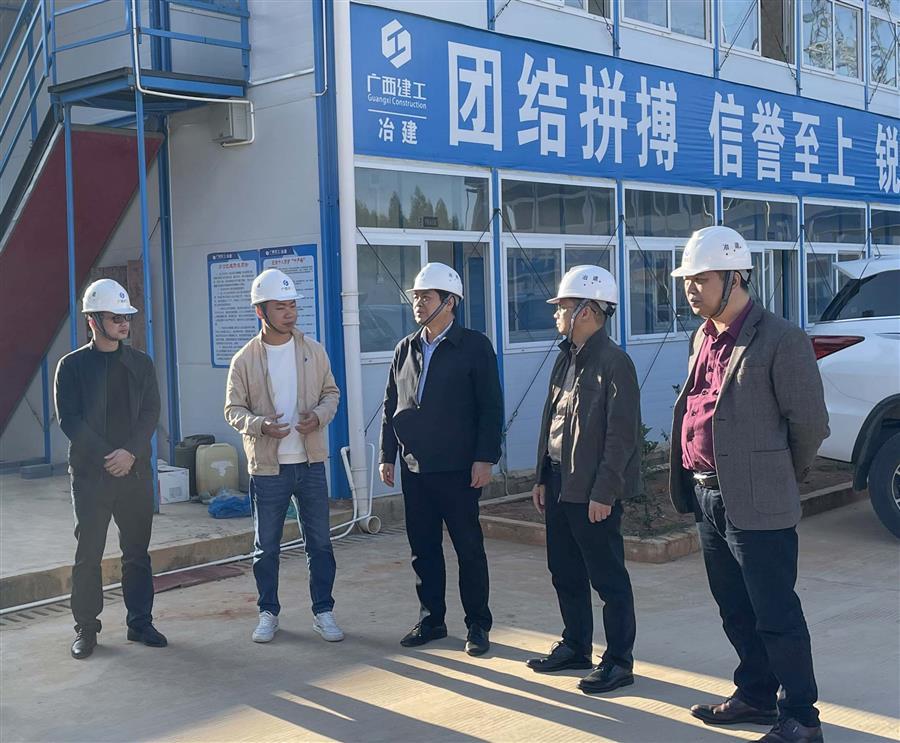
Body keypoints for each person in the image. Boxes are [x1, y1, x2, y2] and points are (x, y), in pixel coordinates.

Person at [669, 226, 829, 743]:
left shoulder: (781, 338)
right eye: (687, 280)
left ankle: (801, 718)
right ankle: (756, 695)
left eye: (702, 279)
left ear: (736, 277)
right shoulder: (702, 336)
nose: (690, 289)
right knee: (734, 608)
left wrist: (778, 476)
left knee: (775, 612)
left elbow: (810, 424)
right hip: (707, 494)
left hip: (759, 500)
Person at [526, 265, 640, 695]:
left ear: (587, 311)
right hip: (560, 483)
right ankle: (576, 645)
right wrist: (541, 476)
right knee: (564, 570)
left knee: (608, 579)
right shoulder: (565, 358)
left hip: (592, 490)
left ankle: (619, 661)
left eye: (564, 306)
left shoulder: (614, 363)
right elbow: (551, 421)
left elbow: (621, 436)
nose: (556, 313)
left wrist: (605, 492)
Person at [379, 262, 502, 656]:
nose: (418, 303)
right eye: (415, 297)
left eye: (426, 297)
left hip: (459, 469)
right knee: (423, 549)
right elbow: (391, 406)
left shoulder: (474, 347)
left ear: (450, 302)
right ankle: (432, 619)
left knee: (468, 549)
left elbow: (490, 407)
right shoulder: (405, 348)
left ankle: (477, 624)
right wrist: (387, 455)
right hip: (415, 468)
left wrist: (485, 458)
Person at [225, 268, 342, 644]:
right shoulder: (244, 359)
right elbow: (233, 410)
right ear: (260, 311)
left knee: (320, 543)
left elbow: (331, 394)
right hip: (268, 468)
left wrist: (318, 416)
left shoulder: (313, 351)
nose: (289, 313)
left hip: (310, 463)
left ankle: (323, 611)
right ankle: (268, 612)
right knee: (266, 547)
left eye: (292, 305)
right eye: (280, 307)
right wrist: (260, 425)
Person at [54, 279, 165, 660]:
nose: (123, 324)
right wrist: (109, 456)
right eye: (115, 318)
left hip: (135, 472)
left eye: (126, 317)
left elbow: (150, 411)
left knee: (137, 552)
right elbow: (69, 420)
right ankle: (86, 628)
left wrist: (130, 453)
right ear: (93, 321)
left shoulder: (140, 364)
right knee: (88, 554)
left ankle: (140, 623)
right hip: (91, 476)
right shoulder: (71, 367)